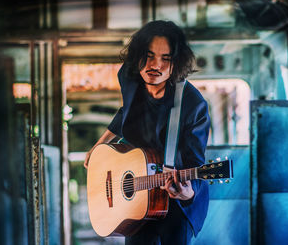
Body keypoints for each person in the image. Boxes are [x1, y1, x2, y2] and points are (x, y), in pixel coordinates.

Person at [84, 20, 210, 245]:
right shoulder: (130, 78)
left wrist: (188, 193)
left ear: (176, 63)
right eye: (149, 56)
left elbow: (195, 162)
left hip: (174, 200)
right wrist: (99, 145)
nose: (155, 65)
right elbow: (126, 111)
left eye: (166, 58)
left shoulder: (193, 105)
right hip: (136, 195)